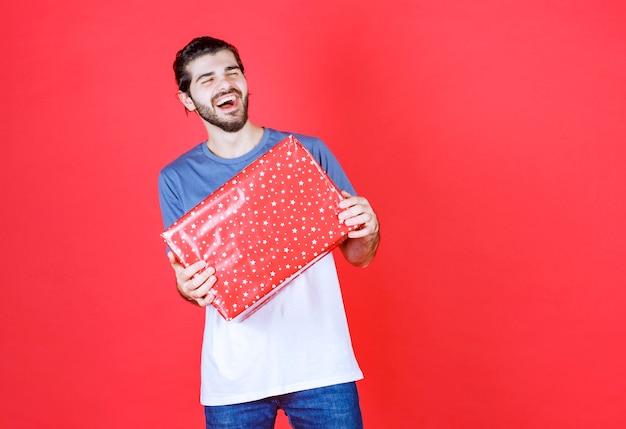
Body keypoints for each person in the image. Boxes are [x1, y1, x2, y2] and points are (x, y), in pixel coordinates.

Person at [158, 36, 380, 429]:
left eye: (232, 72)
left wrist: (370, 227)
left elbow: (359, 256)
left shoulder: (307, 152)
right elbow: (193, 285)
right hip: (235, 377)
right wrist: (187, 288)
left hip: (322, 368)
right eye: (206, 79)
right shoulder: (176, 179)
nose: (224, 83)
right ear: (187, 100)